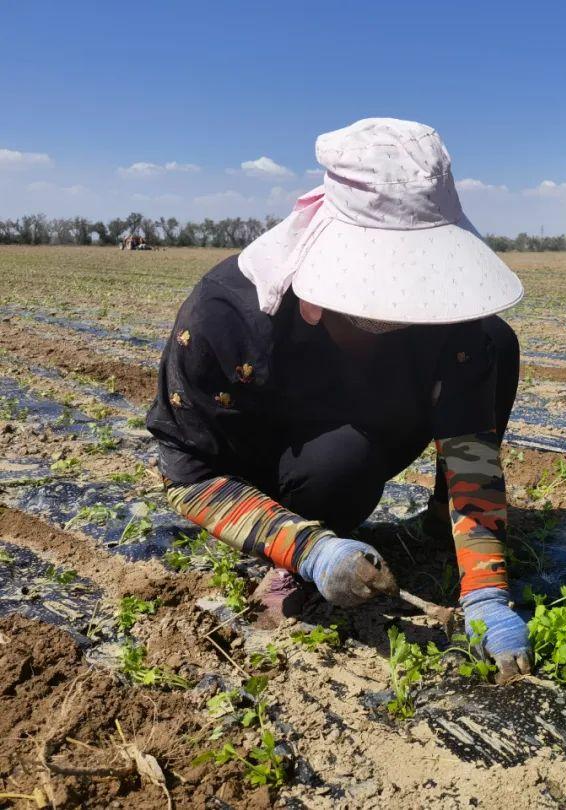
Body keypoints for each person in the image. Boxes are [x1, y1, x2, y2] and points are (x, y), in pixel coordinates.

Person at [146, 118, 532, 683]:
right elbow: (191, 475)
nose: (403, 317)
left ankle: (440, 534)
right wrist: (306, 548)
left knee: (495, 340)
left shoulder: (447, 324)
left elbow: (470, 445)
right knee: (338, 465)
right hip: (276, 471)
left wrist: (486, 589)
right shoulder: (224, 319)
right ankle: (297, 557)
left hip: (372, 424)